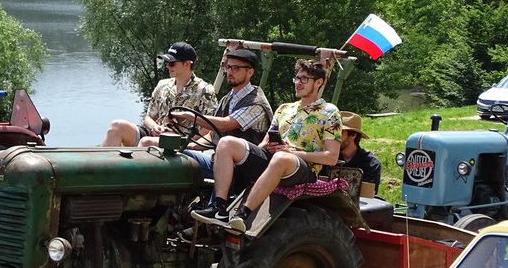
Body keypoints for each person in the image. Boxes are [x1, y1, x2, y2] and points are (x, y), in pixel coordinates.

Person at [194, 58, 342, 233]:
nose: (298, 83)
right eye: (296, 78)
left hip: (303, 169)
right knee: (227, 143)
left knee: (281, 157)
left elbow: (331, 157)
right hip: (275, 159)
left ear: (319, 82)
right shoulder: (284, 109)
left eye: (304, 79)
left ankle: (242, 214)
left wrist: (294, 152)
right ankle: (219, 208)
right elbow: (264, 142)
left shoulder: (329, 112)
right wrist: (267, 147)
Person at [176, 48, 273, 179]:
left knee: (179, 161)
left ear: (250, 72)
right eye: (228, 67)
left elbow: (225, 125)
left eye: (236, 68)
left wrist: (190, 116)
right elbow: (214, 133)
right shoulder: (228, 98)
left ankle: (218, 199)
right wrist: (190, 145)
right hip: (220, 161)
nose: (229, 72)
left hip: (243, 170)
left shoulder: (256, 103)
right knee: (173, 155)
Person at [101, 42, 216, 147]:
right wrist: (154, 127)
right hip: (155, 134)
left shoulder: (205, 90)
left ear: (187, 64)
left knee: (146, 142)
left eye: (172, 63)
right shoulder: (162, 85)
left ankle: (133, 169)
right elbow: (149, 117)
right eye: (166, 63)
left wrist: (190, 143)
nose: (167, 66)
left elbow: (209, 128)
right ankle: (103, 168)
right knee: (117, 126)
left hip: (181, 140)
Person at [338, 111, 382, 196]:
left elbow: (368, 195)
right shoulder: (329, 159)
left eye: (339, 133)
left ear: (353, 135)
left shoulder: (371, 164)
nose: (334, 137)